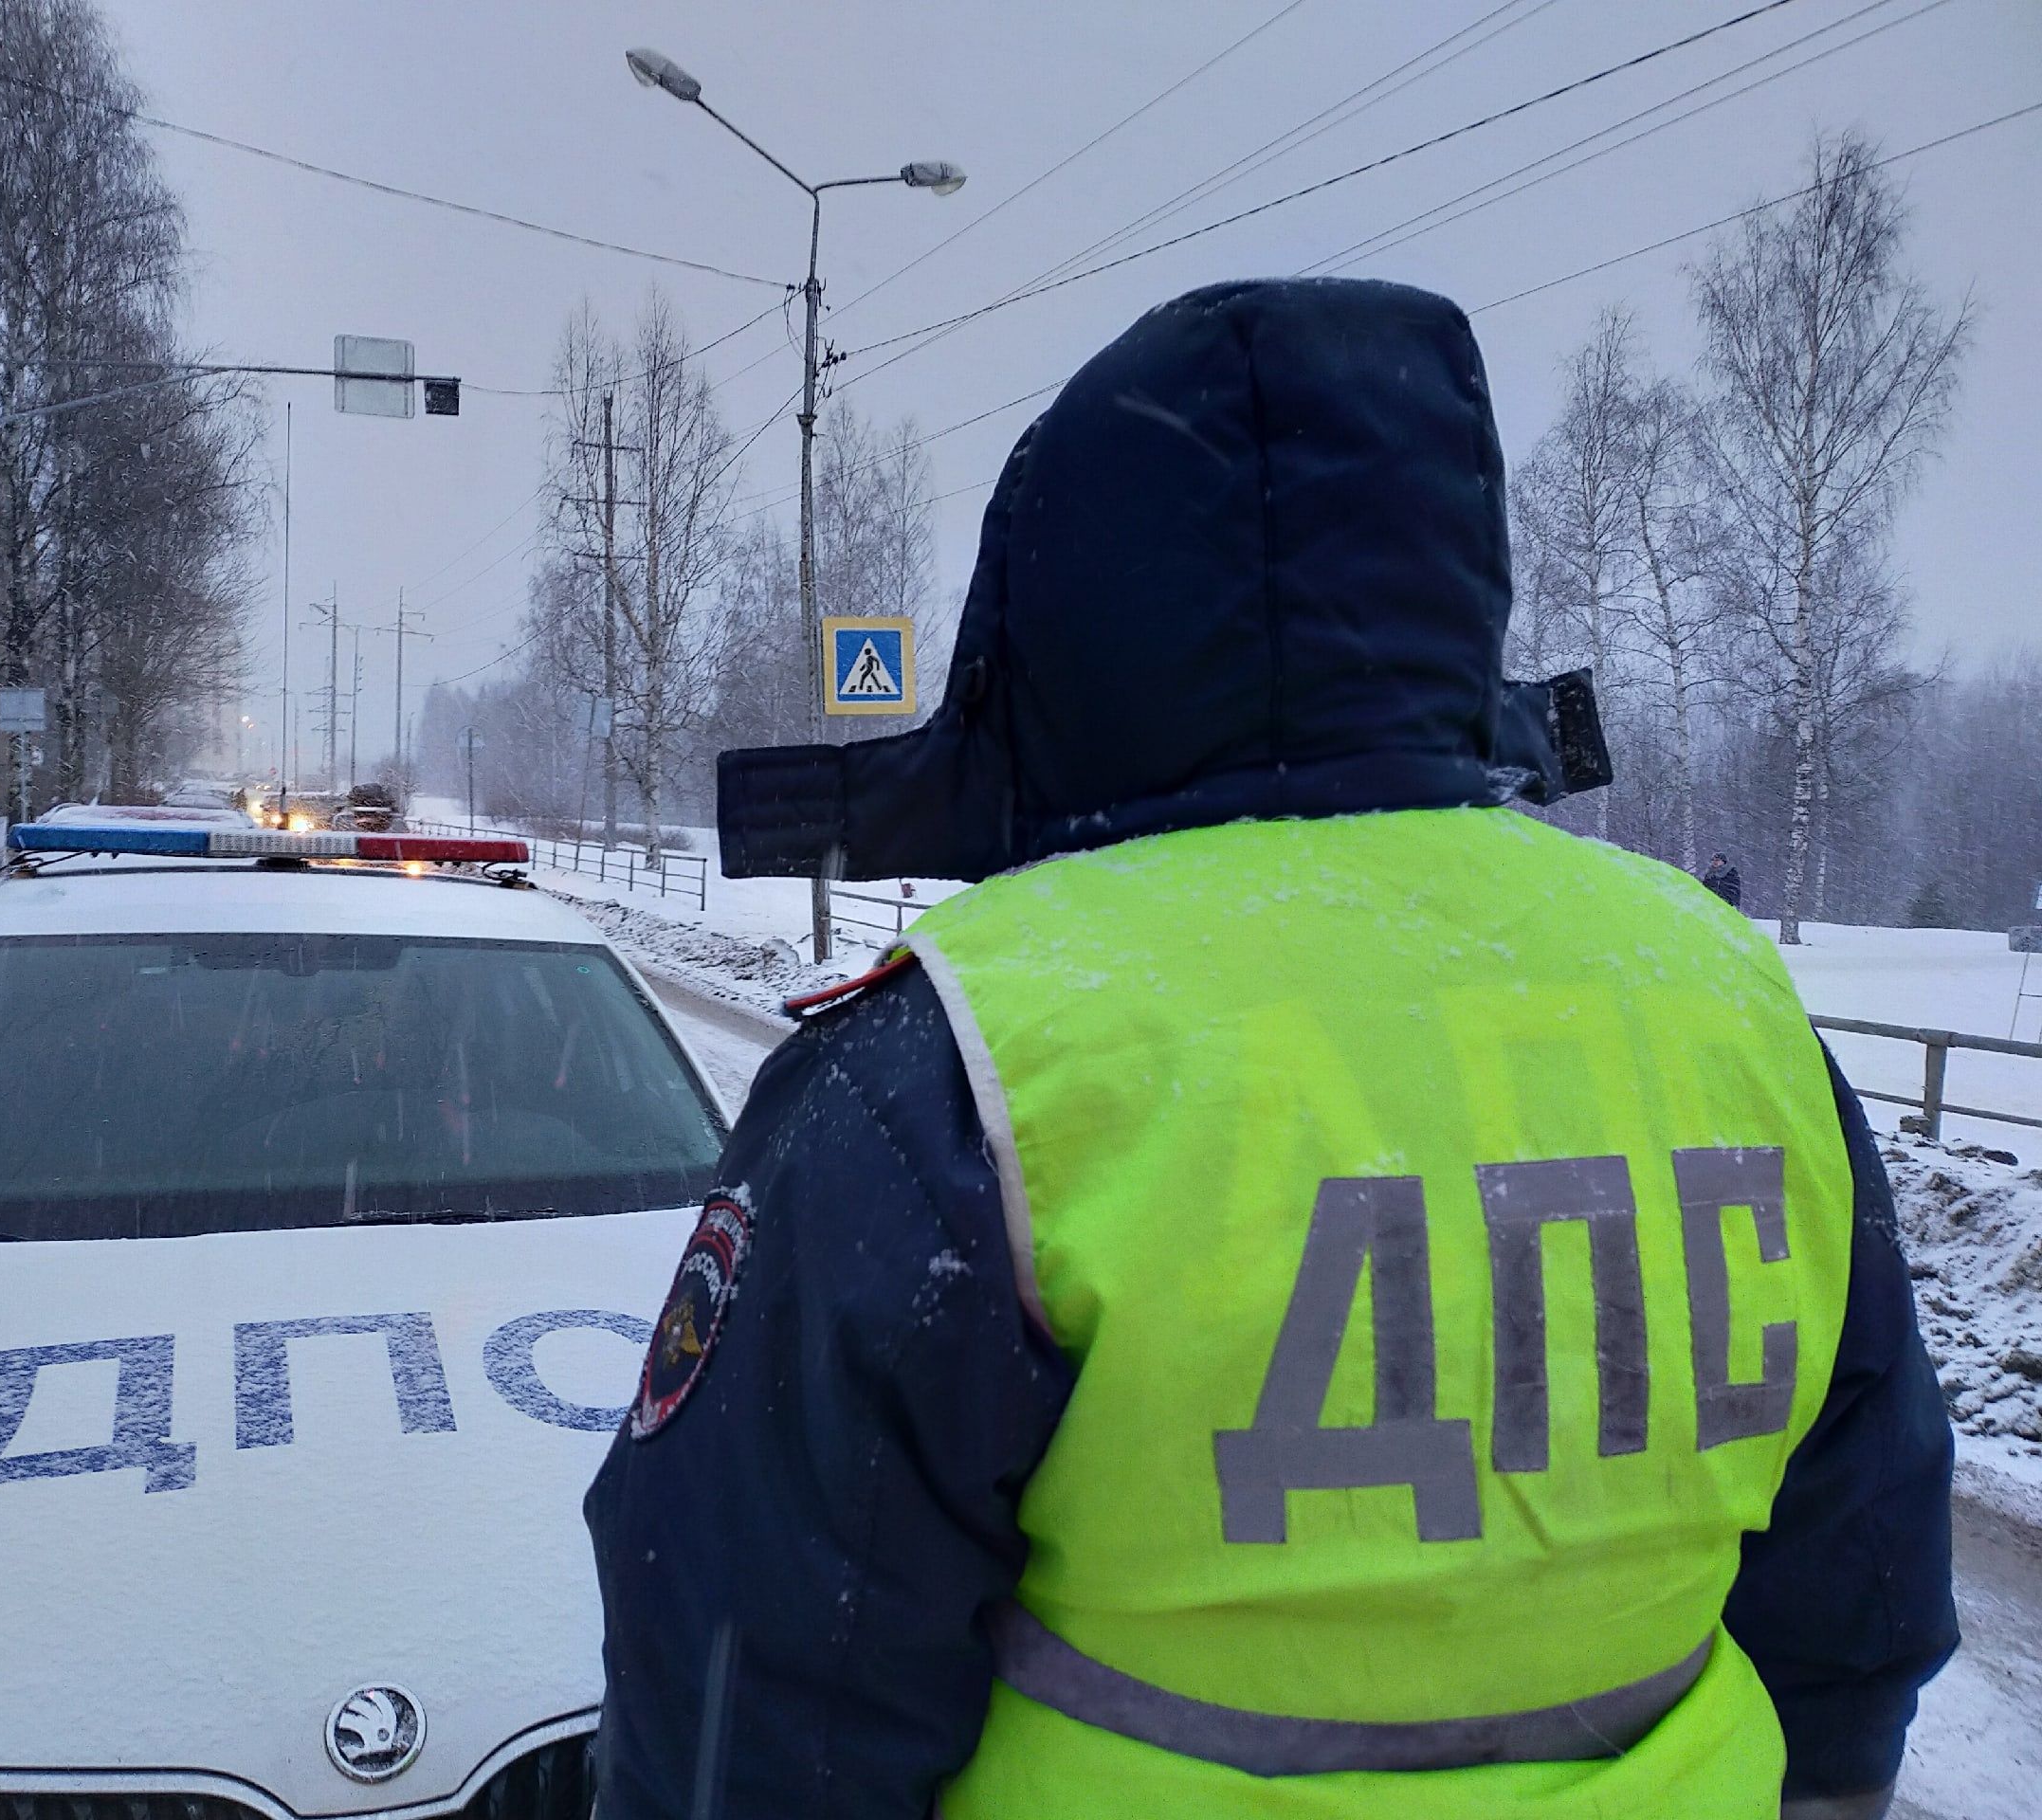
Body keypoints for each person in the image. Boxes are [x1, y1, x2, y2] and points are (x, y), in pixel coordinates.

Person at [585, 280, 1955, 1820]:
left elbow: (748, 1673)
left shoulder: (964, 1062)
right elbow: (1865, 1581)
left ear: (1054, 623)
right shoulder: (1724, 1000)